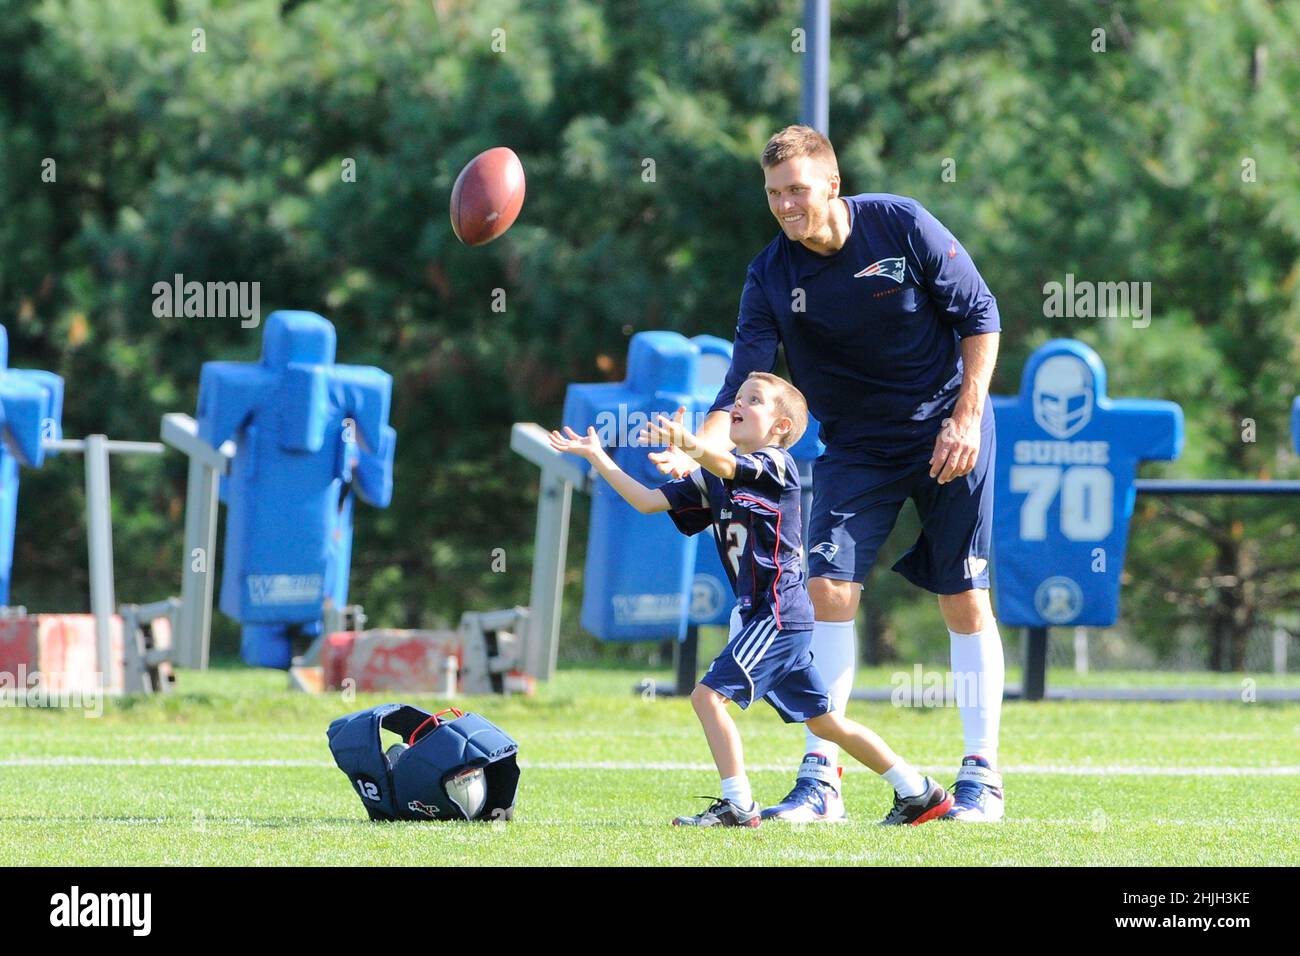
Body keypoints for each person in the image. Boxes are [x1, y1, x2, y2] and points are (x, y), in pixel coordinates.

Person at [649, 125, 1006, 823]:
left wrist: (965, 416)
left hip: (948, 428)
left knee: (963, 598)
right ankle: (823, 778)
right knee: (825, 592)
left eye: (797, 191)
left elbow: (981, 315)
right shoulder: (770, 274)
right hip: (856, 446)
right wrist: (697, 444)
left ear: (833, 185)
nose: (785, 205)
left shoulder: (899, 223)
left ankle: (981, 775)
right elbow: (739, 381)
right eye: (774, 194)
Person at [549, 371, 953, 827]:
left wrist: (687, 442)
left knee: (706, 698)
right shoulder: (714, 477)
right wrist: (598, 456)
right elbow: (645, 500)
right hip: (771, 617)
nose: (738, 404)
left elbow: (727, 466)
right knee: (825, 724)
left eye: (754, 400)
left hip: (778, 614)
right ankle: (919, 792)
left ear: (781, 427)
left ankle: (738, 805)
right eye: (737, 397)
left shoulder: (777, 464)